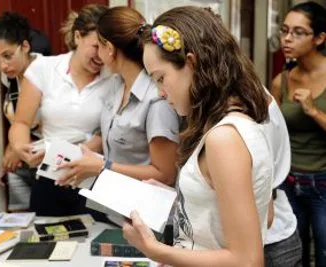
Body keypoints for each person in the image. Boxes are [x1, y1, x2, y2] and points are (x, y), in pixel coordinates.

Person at [122, 6, 273, 266]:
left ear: (191, 63)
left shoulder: (224, 138)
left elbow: (247, 261)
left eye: (161, 78)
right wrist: (182, 196)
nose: (160, 92)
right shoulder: (230, 123)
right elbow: (257, 211)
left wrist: (154, 249)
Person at [9, 4, 114, 217]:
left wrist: (77, 153)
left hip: (93, 180)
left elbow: (109, 132)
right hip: (50, 178)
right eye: (95, 46)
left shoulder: (114, 77)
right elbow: (21, 123)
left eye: (107, 48)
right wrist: (21, 148)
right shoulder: (44, 69)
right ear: (77, 37)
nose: (101, 57)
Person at [56, 6, 179, 186]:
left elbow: (165, 174)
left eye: (99, 46)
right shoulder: (115, 85)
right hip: (111, 204)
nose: (98, 54)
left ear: (110, 49)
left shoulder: (156, 99)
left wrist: (103, 166)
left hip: (139, 209)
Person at [271, 2, 326, 267]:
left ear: (319, 38)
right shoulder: (281, 80)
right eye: (284, 31)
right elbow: (274, 133)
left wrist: (313, 111)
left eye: (298, 32)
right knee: (294, 254)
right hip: (289, 182)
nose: (287, 38)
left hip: (324, 182)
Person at [0, 12, 48, 211]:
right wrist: (11, 150)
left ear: (25, 47)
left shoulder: (49, 73)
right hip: (21, 165)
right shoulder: (9, 78)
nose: (2, 66)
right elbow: (18, 119)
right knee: (20, 226)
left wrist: (16, 148)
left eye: (7, 56)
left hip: (48, 163)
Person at [263, 92, 302, 267]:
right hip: (274, 233)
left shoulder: (245, 106)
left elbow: (266, 215)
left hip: (271, 240)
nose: (165, 93)